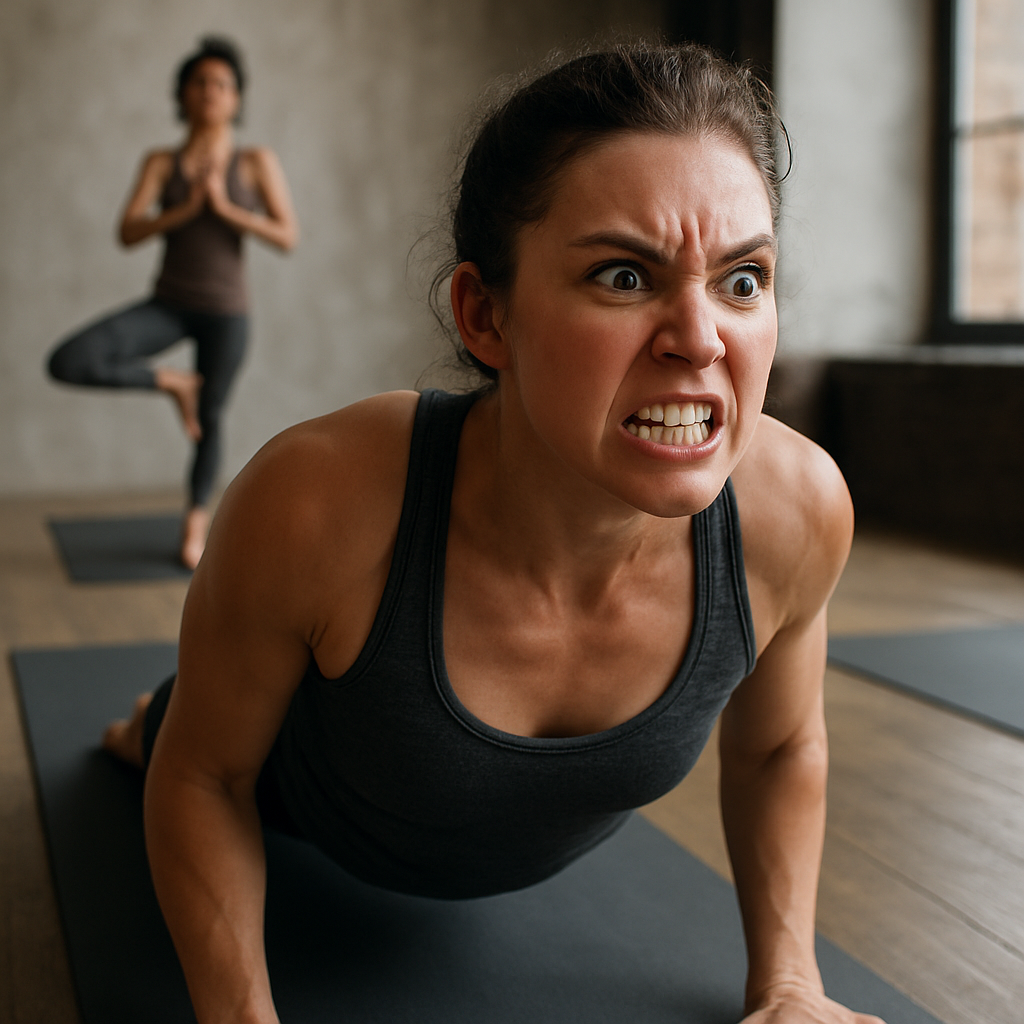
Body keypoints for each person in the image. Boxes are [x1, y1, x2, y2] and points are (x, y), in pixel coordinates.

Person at [103, 43, 882, 1024]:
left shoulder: (797, 508)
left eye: (741, 280)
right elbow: (208, 774)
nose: (700, 338)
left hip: (464, 840)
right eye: (622, 275)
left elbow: (777, 751)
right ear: (486, 315)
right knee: (163, 733)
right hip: (299, 800)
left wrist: (788, 985)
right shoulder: (317, 501)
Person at [47, 36, 298, 569]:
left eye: (222, 84)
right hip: (169, 304)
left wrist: (226, 209)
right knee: (70, 359)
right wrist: (182, 212)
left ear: (236, 98)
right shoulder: (162, 163)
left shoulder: (255, 162)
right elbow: (128, 231)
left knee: (211, 415)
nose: (210, 91)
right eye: (200, 82)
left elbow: (287, 235)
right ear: (183, 95)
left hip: (227, 313)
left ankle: (194, 524)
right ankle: (171, 382)